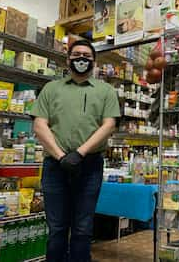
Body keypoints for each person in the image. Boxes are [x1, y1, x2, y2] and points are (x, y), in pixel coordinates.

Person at [31, 40, 120, 262]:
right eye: (77, 54)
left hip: (89, 166)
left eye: (87, 56)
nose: (82, 59)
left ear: (94, 61)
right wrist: (61, 156)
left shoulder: (106, 90)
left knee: (83, 227)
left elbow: (109, 124)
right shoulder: (52, 88)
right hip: (55, 165)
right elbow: (39, 124)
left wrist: (79, 153)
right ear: (68, 59)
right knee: (57, 227)